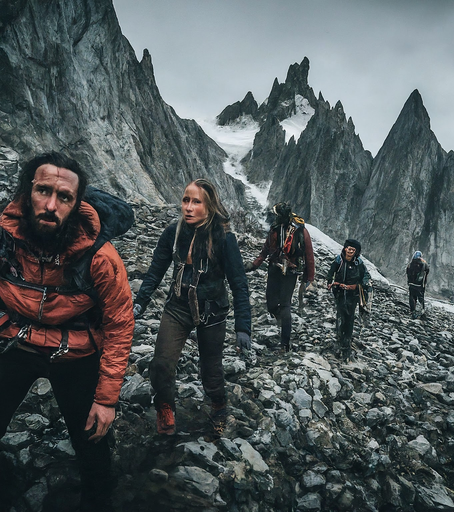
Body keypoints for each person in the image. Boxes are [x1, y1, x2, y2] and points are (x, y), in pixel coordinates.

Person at [0, 152, 134, 511]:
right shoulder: (4, 238)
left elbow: (119, 324)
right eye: (43, 191)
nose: (50, 205)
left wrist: (106, 400)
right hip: (17, 340)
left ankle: (97, 500)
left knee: (92, 440)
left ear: (76, 205)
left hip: (75, 351)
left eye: (64, 197)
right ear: (26, 192)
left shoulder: (100, 257)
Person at [133, 179, 251, 438]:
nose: (188, 207)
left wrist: (243, 326)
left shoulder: (223, 238)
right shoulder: (173, 233)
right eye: (186, 200)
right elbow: (156, 270)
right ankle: (165, 407)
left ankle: (219, 406)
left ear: (209, 207)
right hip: (178, 307)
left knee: (211, 371)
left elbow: (239, 283)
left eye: (196, 201)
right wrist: (140, 301)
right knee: (161, 364)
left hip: (212, 312)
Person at [246, 202, 314, 352]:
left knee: (285, 305)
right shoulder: (275, 229)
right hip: (274, 268)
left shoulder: (300, 232)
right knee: (271, 303)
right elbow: (265, 251)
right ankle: (282, 320)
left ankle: (285, 343)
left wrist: (310, 277)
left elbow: (309, 254)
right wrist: (254, 265)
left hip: (290, 271)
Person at [327, 239, 370, 361]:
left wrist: (361, 285)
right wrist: (329, 281)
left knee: (350, 317)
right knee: (341, 315)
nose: (350, 251)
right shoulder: (338, 260)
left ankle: (346, 344)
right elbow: (331, 272)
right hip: (340, 292)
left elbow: (366, 276)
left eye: (353, 250)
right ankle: (340, 339)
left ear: (356, 252)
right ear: (345, 249)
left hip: (353, 294)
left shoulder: (359, 263)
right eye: (348, 248)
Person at [406, 250, 430, 318]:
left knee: (412, 297)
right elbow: (427, 271)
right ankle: (422, 311)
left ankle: (413, 312)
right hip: (420, 285)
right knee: (421, 297)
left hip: (411, 284)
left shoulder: (410, 264)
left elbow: (407, 272)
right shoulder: (423, 263)